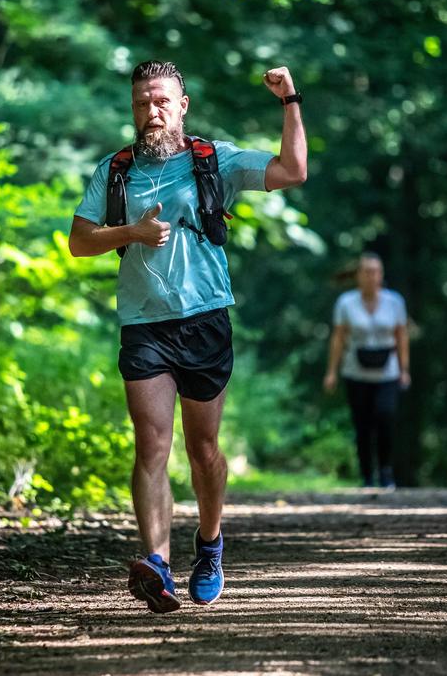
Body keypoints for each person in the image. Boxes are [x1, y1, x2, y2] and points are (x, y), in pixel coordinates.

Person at [69, 60, 307, 612]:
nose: (150, 112)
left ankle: (210, 545)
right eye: (140, 103)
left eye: (160, 102)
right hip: (143, 323)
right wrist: (131, 232)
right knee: (151, 444)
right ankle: (157, 564)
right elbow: (80, 241)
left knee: (203, 451)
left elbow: (293, 171)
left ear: (181, 106)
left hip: (205, 320)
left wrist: (289, 100)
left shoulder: (212, 160)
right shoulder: (116, 170)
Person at [323, 253, 410, 489]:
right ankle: (367, 475)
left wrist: (404, 369)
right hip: (356, 371)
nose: (372, 276)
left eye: (376, 271)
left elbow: (402, 336)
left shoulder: (395, 302)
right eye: (367, 272)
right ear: (358, 276)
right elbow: (338, 338)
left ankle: (385, 471)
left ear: (381, 275)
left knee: (385, 416)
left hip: (388, 372)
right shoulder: (346, 303)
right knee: (362, 425)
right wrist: (332, 371)